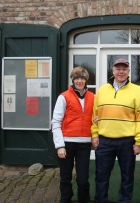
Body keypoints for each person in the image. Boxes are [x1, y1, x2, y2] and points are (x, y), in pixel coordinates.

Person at [92, 58, 140, 203]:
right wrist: (94, 134)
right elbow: (94, 115)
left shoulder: (137, 91)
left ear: (128, 71)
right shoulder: (102, 90)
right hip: (104, 140)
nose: (121, 72)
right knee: (101, 175)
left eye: (124, 69)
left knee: (127, 176)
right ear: (113, 71)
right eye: (118, 69)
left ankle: (124, 201)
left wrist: (139, 141)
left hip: (127, 142)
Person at [51, 66, 94, 203]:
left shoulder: (93, 97)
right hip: (66, 143)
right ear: (73, 80)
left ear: (86, 80)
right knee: (65, 178)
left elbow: (96, 117)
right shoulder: (63, 97)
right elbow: (56, 122)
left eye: (82, 78)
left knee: (82, 180)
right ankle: (65, 200)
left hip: (84, 144)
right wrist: (59, 146)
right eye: (77, 78)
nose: (79, 81)